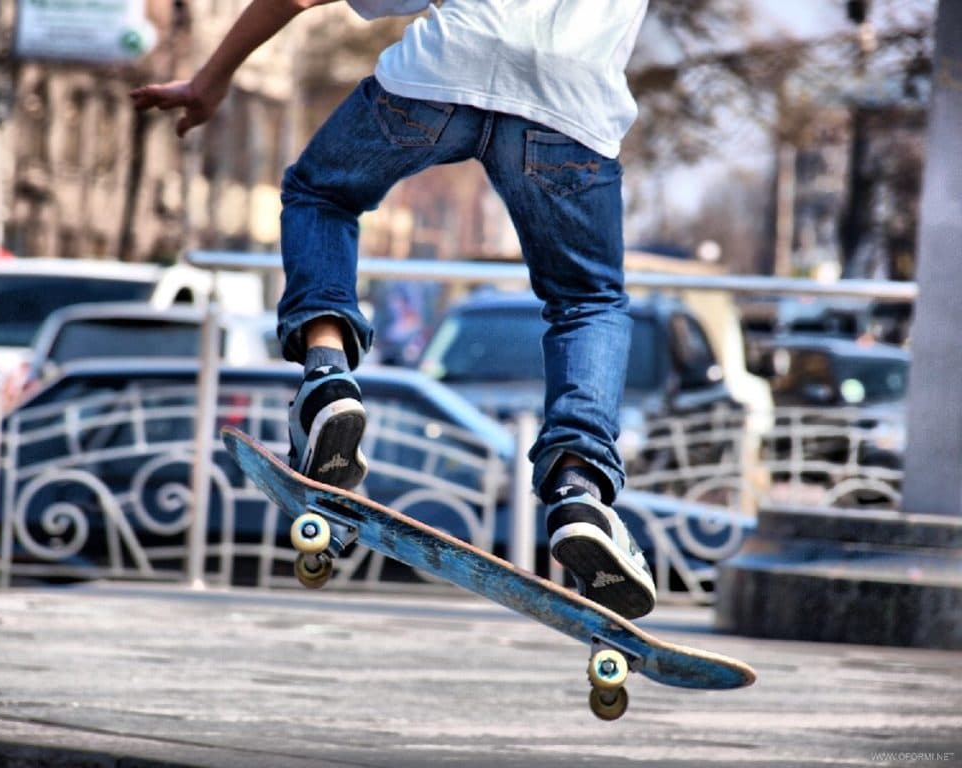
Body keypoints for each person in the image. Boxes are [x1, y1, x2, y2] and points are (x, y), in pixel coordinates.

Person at [130, 0, 657, 619]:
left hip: (443, 71)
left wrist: (210, 78)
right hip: (571, 104)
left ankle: (326, 378)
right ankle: (578, 487)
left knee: (321, 194)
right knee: (586, 299)